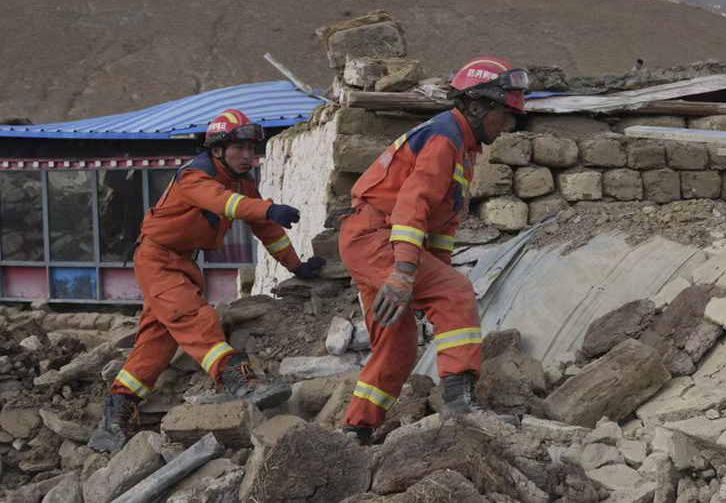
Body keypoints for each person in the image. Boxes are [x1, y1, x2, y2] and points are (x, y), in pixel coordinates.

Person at [89, 109, 326, 452]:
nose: (248, 156)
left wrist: (296, 266)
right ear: (217, 150)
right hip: (157, 259)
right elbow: (225, 204)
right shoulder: (195, 177)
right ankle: (240, 380)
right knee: (194, 317)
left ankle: (113, 421)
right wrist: (266, 207)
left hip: (182, 263)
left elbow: (267, 230)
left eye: (251, 148)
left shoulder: (242, 183)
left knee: (156, 342)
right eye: (239, 148)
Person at [338, 57, 529, 443]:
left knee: (399, 349)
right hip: (377, 236)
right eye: (503, 113)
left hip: (374, 237)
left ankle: (354, 430)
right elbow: (413, 205)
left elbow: (441, 223)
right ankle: (460, 406)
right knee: (456, 290)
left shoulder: (463, 145)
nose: (506, 124)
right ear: (476, 106)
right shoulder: (446, 138)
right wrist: (407, 273)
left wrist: (430, 274)